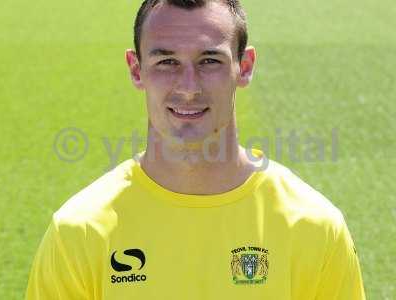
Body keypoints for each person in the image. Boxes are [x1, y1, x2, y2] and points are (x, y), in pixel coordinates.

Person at [25, 0, 366, 299]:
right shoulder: (79, 232)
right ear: (136, 69)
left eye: (209, 61)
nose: (188, 87)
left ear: (243, 67)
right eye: (167, 62)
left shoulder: (314, 228)